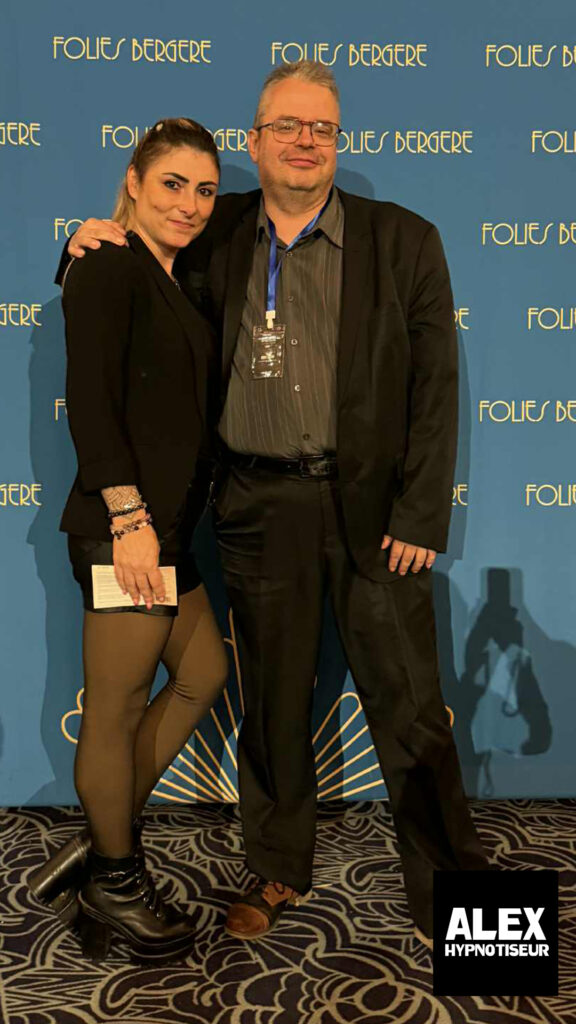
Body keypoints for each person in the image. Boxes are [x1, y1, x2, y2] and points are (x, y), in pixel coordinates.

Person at [60, 62, 490, 949]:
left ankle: (464, 910)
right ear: (255, 142)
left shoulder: (404, 239)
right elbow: (122, 287)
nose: (305, 141)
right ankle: (277, 868)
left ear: (338, 142)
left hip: (376, 513)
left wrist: (421, 514)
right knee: (274, 707)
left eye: (322, 128)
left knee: (412, 710)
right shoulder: (211, 227)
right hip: (256, 507)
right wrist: (76, 246)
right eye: (286, 126)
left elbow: (438, 387)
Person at [29, 118, 228, 963]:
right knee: (112, 710)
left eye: (205, 190)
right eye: (172, 184)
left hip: (169, 529)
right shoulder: (109, 265)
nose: (190, 204)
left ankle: (102, 839)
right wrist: (130, 520)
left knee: (204, 672)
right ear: (134, 184)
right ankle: (115, 876)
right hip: (127, 530)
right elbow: (91, 399)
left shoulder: (172, 272)